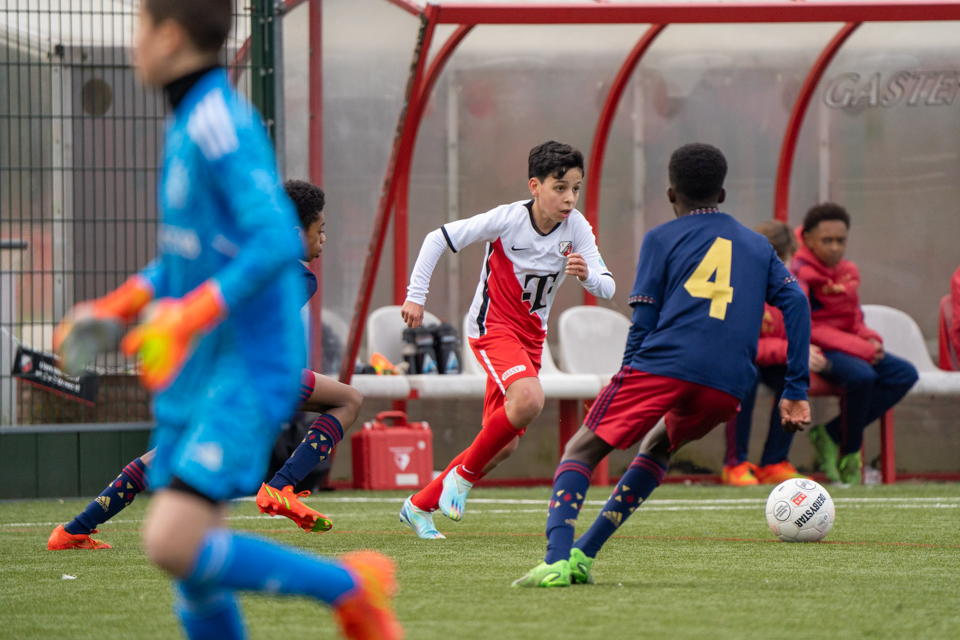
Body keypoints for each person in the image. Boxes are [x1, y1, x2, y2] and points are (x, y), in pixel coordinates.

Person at [51, 2, 401, 638]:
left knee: (171, 539)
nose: (132, 45)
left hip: (246, 369)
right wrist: (117, 306)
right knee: (194, 570)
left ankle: (350, 588)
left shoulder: (217, 123)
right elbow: (188, 256)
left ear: (170, 36)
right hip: (204, 368)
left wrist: (188, 315)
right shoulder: (190, 121)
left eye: (137, 28)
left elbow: (272, 240)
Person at [513, 143, 812, 588]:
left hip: (666, 363)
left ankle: (557, 558)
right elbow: (797, 303)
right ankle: (583, 555)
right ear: (722, 194)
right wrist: (795, 389)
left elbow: (645, 319)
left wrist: (626, 376)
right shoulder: (757, 245)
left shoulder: (661, 238)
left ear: (672, 194)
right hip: (728, 383)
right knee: (659, 448)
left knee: (581, 450)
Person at [47, 180, 362, 550]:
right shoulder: (294, 275)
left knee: (169, 452)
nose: (324, 239)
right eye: (320, 230)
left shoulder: (232, 249)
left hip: (202, 367)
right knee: (348, 401)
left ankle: (74, 529)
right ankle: (281, 487)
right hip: (248, 376)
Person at [398, 141, 615, 539]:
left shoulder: (577, 228)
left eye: (576, 188)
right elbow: (437, 238)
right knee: (530, 400)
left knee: (504, 445)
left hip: (530, 340)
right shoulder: (507, 219)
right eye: (560, 187)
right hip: (491, 328)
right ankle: (460, 480)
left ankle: (419, 505)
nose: (569, 198)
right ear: (535, 186)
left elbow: (608, 287)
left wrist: (586, 275)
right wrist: (416, 295)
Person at [792, 203, 918, 485]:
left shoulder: (848, 270)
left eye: (841, 240)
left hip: (850, 346)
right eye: (827, 241)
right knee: (863, 376)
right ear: (809, 239)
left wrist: (870, 337)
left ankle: (831, 435)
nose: (835, 247)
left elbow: (854, 317)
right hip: (818, 350)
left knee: (904, 374)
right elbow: (805, 325)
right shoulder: (799, 272)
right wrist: (860, 348)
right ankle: (850, 455)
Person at [722, 221, 827, 485]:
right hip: (741, 360)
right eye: (775, 257)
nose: (780, 265)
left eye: (785, 258)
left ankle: (774, 461)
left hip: (772, 360)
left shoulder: (796, 287)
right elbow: (739, 344)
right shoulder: (739, 286)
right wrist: (787, 349)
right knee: (746, 375)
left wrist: (803, 353)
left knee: (791, 377)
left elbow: (794, 334)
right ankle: (734, 463)